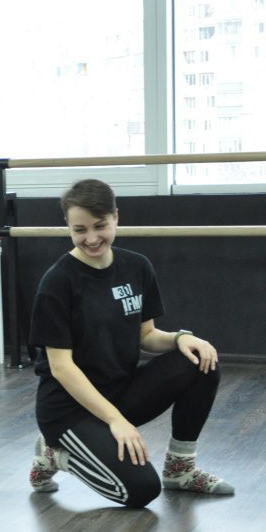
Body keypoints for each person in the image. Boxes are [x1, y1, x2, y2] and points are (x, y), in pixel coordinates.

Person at [26, 178, 232, 508]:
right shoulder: (58, 282)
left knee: (200, 362)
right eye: (80, 230)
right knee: (141, 490)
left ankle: (180, 470)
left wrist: (182, 338)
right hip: (68, 410)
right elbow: (62, 368)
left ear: (116, 217)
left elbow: (146, 336)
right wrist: (115, 420)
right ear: (68, 226)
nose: (91, 238)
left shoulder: (136, 266)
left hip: (119, 391)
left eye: (100, 226)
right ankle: (54, 454)